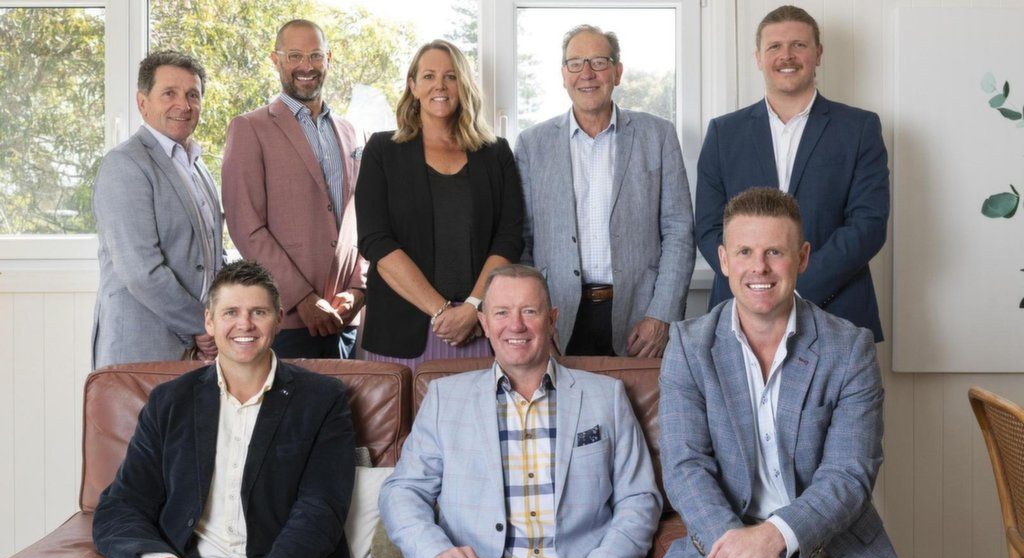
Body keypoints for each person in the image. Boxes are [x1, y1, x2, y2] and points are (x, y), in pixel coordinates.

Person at [657, 188, 934, 558]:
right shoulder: (689, 347)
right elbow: (685, 467)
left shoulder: (849, 348)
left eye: (775, 252)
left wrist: (774, 538)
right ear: (724, 260)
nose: (759, 267)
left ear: (802, 258)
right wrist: (742, 552)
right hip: (734, 533)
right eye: (745, 251)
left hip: (839, 546)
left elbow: (849, 475)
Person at [56, 261, 356, 558]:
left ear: (277, 319)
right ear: (210, 322)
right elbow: (121, 507)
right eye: (231, 312)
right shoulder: (170, 402)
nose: (244, 324)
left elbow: (319, 513)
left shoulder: (322, 400)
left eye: (258, 312)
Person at [380, 264, 662, 558]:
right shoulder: (444, 399)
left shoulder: (605, 396)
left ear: (551, 319)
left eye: (529, 311)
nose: (516, 325)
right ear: (484, 323)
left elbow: (639, 497)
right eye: (502, 312)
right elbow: (402, 491)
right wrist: (434, 550)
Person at [695, 5, 889, 342]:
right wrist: (757, 289)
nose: (787, 55)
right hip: (741, 313)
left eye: (798, 45)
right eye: (775, 46)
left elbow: (868, 225)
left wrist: (796, 287)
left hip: (837, 311)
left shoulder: (859, 128)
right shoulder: (724, 133)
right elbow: (709, 227)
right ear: (758, 58)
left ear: (818, 54)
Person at [515, 24, 695, 358]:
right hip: (556, 315)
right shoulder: (531, 144)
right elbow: (523, 241)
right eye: (575, 63)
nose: (587, 73)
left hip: (640, 316)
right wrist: (533, 316)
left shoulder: (658, 136)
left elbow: (679, 231)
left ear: (617, 72)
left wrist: (661, 314)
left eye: (599, 62)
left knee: (641, 395)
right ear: (563, 75)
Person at [356, 39, 523, 370]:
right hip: (401, 331)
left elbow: (509, 238)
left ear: (464, 85)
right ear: (413, 86)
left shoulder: (496, 153)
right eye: (429, 76)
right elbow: (376, 241)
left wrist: (473, 307)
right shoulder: (382, 150)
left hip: (480, 328)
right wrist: (442, 311)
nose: (440, 86)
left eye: (451, 76)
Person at [223, 19, 365, 360]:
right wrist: (301, 298)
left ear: (329, 58)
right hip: (287, 321)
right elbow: (247, 228)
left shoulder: (353, 133)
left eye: (315, 55)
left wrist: (359, 289)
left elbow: (366, 219)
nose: (306, 66)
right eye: (295, 56)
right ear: (276, 60)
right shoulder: (249, 128)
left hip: (346, 320)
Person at [92, 50, 223, 369]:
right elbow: (141, 271)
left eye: (193, 95)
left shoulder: (197, 165)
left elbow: (212, 256)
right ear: (142, 103)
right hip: (141, 347)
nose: (184, 105)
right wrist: (202, 324)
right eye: (169, 94)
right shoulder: (125, 165)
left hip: (198, 350)